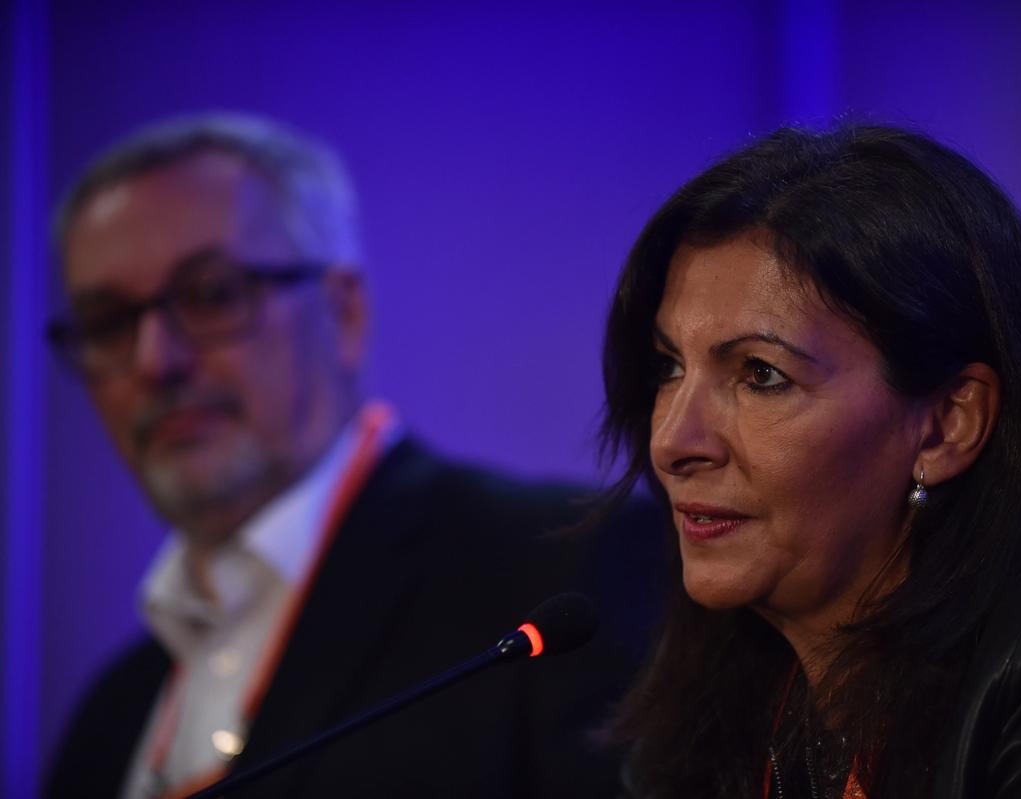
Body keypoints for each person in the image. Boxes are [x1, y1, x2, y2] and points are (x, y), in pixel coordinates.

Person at [43, 113, 660, 799]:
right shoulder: (105, 717)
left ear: (345, 314)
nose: (155, 359)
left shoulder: (564, 577)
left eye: (211, 293)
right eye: (107, 323)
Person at [598, 124, 1021, 798]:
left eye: (761, 375)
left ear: (946, 425)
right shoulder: (701, 711)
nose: (673, 442)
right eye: (667, 367)